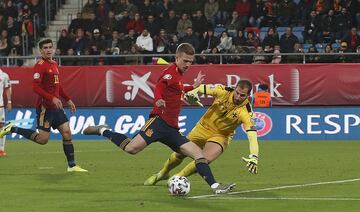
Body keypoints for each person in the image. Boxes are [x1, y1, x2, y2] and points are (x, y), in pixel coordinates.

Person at [83, 43, 235, 194]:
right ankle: (103, 130)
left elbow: (178, 89)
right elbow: (159, 87)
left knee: (198, 154)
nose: (188, 64)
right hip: (158, 122)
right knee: (131, 148)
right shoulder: (169, 72)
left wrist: (193, 86)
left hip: (172, 130)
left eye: (190, 61)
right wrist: (158, 100)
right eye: (185, 61)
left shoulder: (178, 75)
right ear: (177, 58)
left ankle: (216, 187)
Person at [144, 80, 259, 185]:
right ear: (234, 89)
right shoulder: (223, 91)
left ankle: (177, 178)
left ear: (248, 96)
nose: (238, 97)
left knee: (204, 159)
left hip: (221, 135)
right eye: (237, 92)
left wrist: (254, 155)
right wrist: (193, 93)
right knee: (180, 153)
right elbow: (201, 88)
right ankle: (163, 173)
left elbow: (252, 135)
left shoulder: (246, 112)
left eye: (242, 95)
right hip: (202, 128)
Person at [0, 39, 87, 172]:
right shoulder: (40, 65)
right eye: (45, 48)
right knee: (42, 140)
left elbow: (58, 86)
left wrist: (68, 100)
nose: (48, 50)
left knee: (67, 133)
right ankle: (13, 128)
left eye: (50, 47)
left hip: (56, 107)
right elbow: (35, 87)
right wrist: (51, 98)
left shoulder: (54, 63)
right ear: (41, 50)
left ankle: (72, 165)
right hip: (45, 108)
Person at [0, 68, 12, 156]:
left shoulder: (4, 75)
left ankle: (1, 149)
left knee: (1, 126)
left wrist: (9, 101)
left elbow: (7, 88)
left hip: (0, 106)